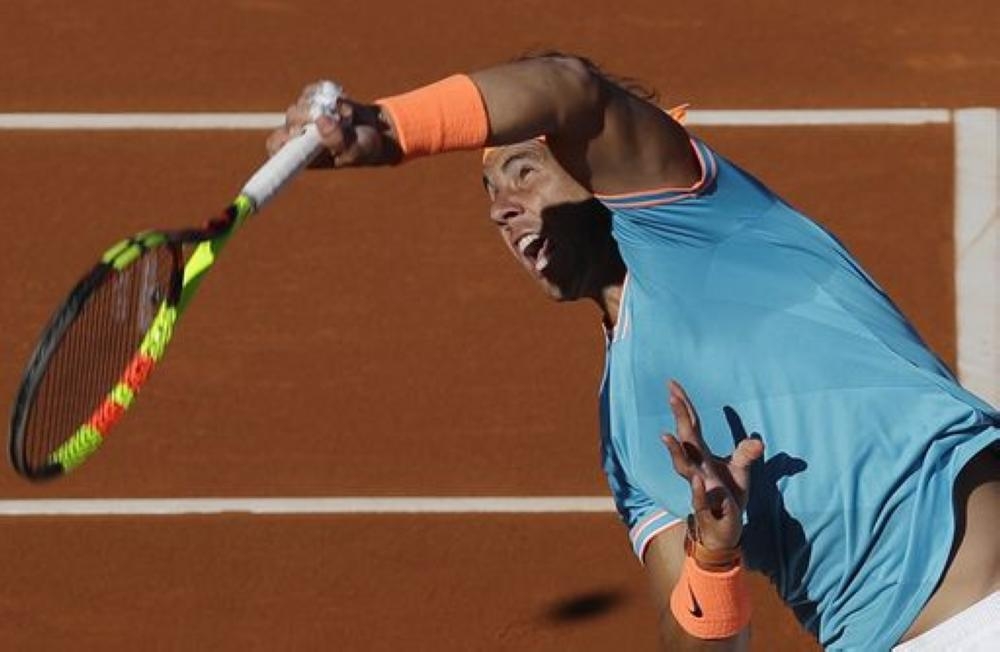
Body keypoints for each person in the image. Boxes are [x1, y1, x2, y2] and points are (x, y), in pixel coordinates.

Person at [267, 54, 1000, 650]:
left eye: (524, 171)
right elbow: (705, 644)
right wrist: (713, 553)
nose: (499, 205)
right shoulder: (625, 433)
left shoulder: (697, 221)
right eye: (489, 189)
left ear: (596, 174)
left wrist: (390, 128)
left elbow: (570, 87)